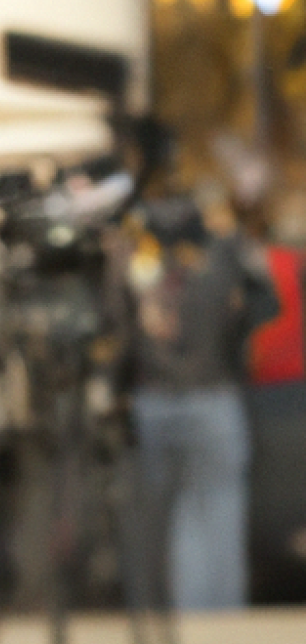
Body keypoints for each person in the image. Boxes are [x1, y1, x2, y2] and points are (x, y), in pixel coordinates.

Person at [127, 191, 279, 611]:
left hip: (156, 398)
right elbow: (267, 300)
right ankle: (219, 616)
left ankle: (190, 612)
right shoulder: (224, 249)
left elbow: (116, 329)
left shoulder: (133, 255)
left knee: (177, 516)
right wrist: (237, 340)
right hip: (212, 394)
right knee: (219, 508)